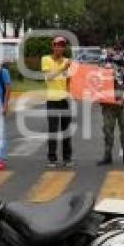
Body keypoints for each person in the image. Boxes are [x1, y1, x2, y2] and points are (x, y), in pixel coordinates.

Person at [98, 42, 124, 166]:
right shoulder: (104, 64)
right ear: (110, 50)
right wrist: (98, 96)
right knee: (108, 130)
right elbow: (98, 80)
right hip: (108, 103)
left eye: (120, 50)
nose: (117, 52)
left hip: (122, 102)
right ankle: (107, 155)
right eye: (115, 49)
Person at [42, 36, 73, 168]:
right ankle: (52, 158)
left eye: (62, 45)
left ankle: (67, 158)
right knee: (53, 130)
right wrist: (62, 68)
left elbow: (69, 81)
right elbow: (48, 78)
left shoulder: (67, 61)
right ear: (53, 46)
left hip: (64, 100)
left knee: (66, 130)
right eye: (57, 45)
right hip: (52, 101)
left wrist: (73, 92)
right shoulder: (46, 59)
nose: (59, 47)